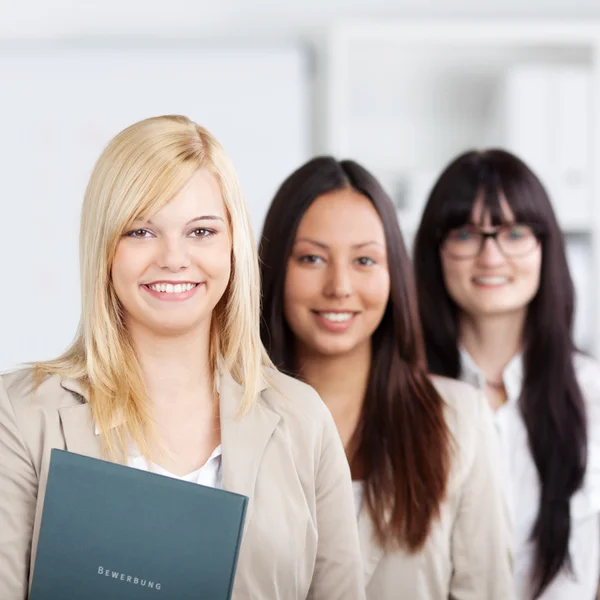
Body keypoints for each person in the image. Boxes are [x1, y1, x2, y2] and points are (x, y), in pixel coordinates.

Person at [0, 116, 365, 600]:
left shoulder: (302, 420)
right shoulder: (21, 414)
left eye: (201, 232)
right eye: (141, 231)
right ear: (104, 248)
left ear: (232, 246)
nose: (174, 258)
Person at [258, 156, 514, 600]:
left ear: (394, 272)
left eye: (364, 260)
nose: (339, 286)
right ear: (276, 269)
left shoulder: (459, 419)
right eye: (312, 258)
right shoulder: (226, 420)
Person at [413, 148, 600, 599]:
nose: (491, 257)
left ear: (545, 247)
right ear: (435, 251)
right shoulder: (404, 393)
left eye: (514, 232)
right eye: (465, 234)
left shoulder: (592, 392)